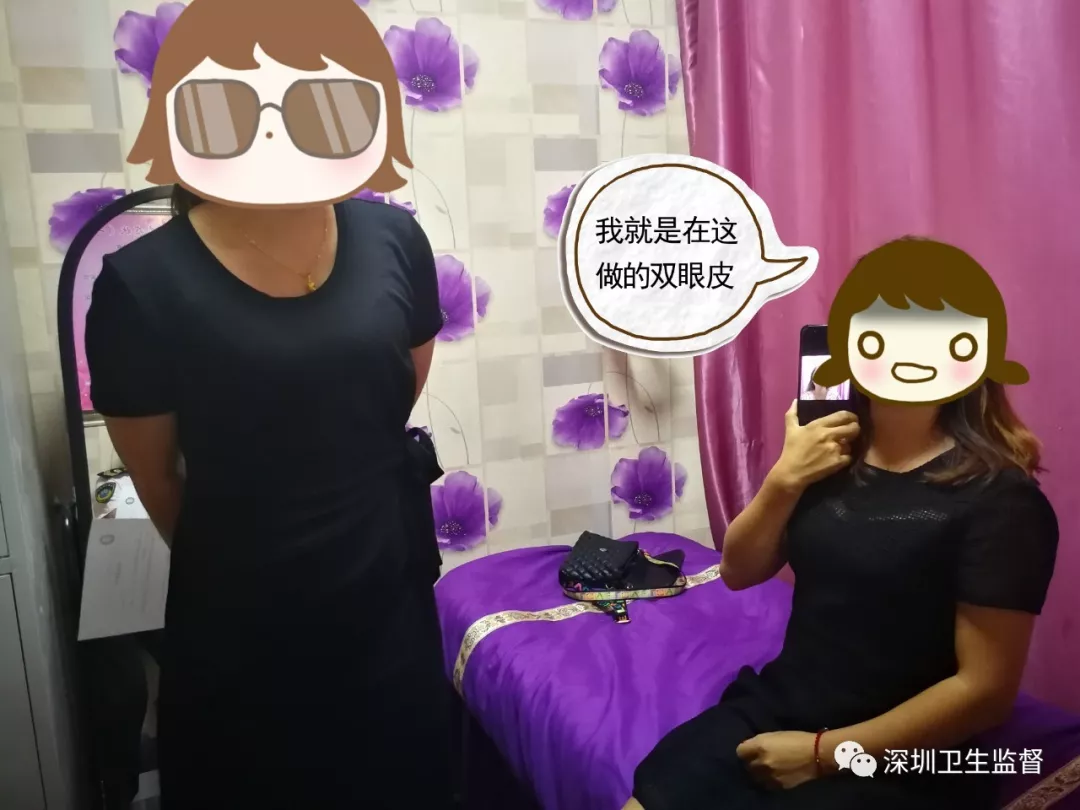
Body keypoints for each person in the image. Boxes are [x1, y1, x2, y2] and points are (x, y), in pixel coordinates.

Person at [84, 1, 454, 807]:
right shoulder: (139, 286)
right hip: (240, 631)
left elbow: (381, 407)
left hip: (388, 608)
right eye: (233, 103)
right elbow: (161, 484)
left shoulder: (395, 242)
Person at [625, 238, 1059, 810]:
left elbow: (985, 691)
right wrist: (785, 477)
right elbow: (738, 570)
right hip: (782, 705)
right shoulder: (827, 454)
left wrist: (823, 753)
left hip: (905, 754)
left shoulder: (1002, 501)